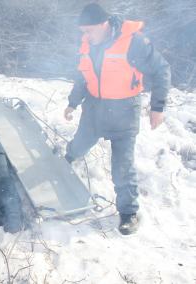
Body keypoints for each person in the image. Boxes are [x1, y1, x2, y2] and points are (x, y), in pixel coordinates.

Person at [64, 3, 171, 235]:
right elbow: (83, 76)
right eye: (82, 31)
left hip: (124, 111)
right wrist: (73, 102)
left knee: (122, 166)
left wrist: (158, 108)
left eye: (88, 30)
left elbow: (162, 70)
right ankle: (66, 159)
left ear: (103, 24)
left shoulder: (134, 42)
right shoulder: (87, 44)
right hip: (94, 109)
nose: (84, 35)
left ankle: (129, 213)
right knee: (79, 144)